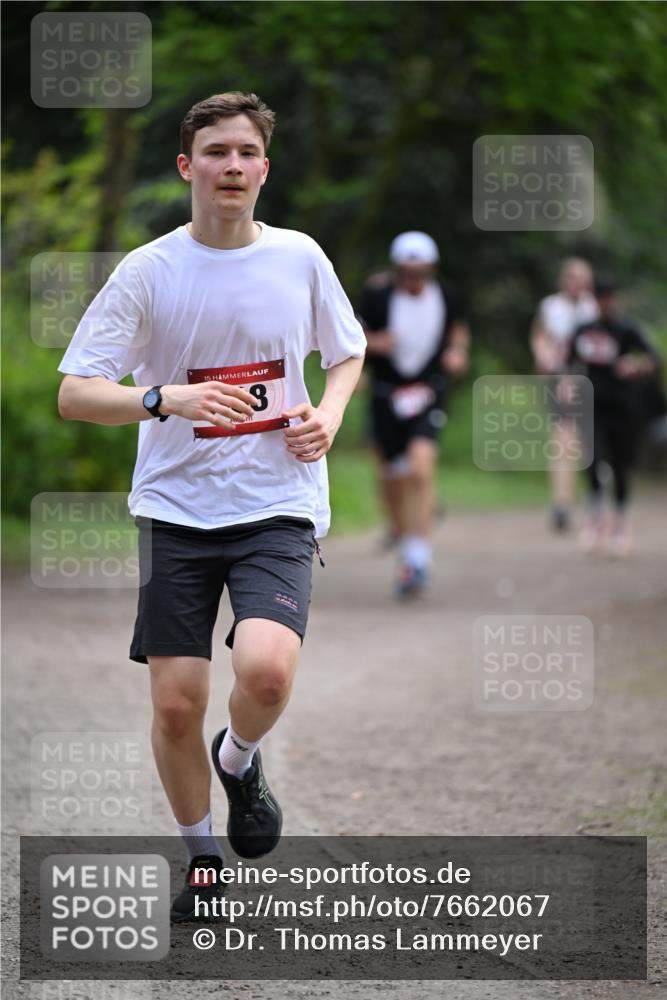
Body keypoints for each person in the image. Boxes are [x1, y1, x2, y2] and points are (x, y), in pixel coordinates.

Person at [57, 92, 366, 921]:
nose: (232, 166)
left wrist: (328, 417)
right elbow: (77, 395)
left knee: (263, 674)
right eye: (216, 153)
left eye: (246, 153)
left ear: (264, 167)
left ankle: (240, 758)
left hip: (276, 503)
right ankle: (202, 859)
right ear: (186, 166)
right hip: (176, 510)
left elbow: (346, 352)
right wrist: (166, 400)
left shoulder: (300, 257)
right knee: (174, 702)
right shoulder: (149, 271)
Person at [358, 232, 470, 598]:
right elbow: (352, 336)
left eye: (420, 273)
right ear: (398, 271)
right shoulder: (377, 297)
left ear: (430, 270)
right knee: (392, 478)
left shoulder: (448, 296)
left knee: (420, 468)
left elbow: (458, 332)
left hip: (427, 392)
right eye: (407, 273)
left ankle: (416, 558)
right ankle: (405, 533)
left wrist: (456, 353)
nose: (414, 280)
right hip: (386, 395)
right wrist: (375, 345)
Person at [567, 277, 661, 557]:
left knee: (619, 464)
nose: (607, 303)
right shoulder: (583, 330)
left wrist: (637, 365)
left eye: (611, 297)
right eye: (602, 297)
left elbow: (653, 359)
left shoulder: (627, 329)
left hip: (623, 406)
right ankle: (596, 518)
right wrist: (567, 382)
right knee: (592, 459)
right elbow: (569, 361)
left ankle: (620, 522)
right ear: (594, 300)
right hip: (592, 404)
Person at [530, 257, 598, 533]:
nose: (577, 282)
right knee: (562, 440)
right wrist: (544, 358)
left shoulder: (594, 309)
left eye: (582, 277)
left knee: (589, 444)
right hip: (560, 379)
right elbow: (539, 336)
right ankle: (562, 503)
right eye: (572, 276)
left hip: (590, 381)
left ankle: (594, 498)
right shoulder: (551, 306)